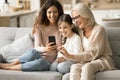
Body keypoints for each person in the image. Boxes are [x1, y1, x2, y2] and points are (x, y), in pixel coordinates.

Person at [0, 0, 64, 71]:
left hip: (49, 61)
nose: (52, 15)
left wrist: (56, 50)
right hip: (39, 54)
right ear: (45, 13)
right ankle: (11, 64)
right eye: (49, 12)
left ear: (59, 13)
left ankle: (7, 67)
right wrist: (46, 48)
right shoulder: (39, 27)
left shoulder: (61, 27)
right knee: (33, 52)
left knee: (41, 63)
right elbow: (37, 47)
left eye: (55, 12)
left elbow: (61, 48)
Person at [61, 3, 116, 80]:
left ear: (86, 14)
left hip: (102, 60)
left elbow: (92, 53)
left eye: (77, 17)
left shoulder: (99, 30)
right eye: (73, 19)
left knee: (87, 67)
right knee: (74, 67)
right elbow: (64, 27)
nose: (75, 21)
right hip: (87, 61)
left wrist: (71, 56)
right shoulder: (79, 30)